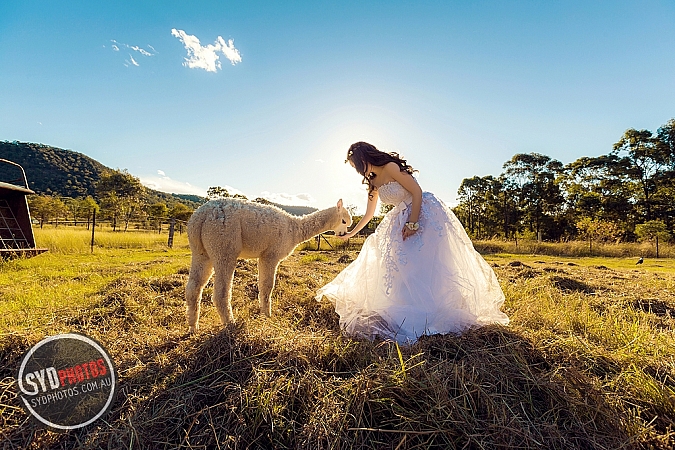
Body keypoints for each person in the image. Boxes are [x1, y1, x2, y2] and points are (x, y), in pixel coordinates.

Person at [315, 141, 509, 343]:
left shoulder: (390, 167)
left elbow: (417, 191)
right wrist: (350, 233)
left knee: (423, 264)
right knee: (401, 267)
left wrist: (413, 223)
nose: (357, 171)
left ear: (363, 159)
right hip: (400, 217)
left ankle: (432, 312)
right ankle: (409, 309)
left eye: (356, 165)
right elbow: (369, 214)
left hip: (423, 212)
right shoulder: (372, 181)